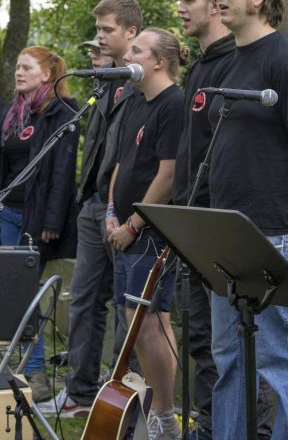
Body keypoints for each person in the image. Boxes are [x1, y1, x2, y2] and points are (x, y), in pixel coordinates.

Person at [208, 0, 288, 440]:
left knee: (283, 361)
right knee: (230, 359)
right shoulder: (231, 60)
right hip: (222, 237)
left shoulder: (287, 61)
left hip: (272, 234)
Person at [166, 0, 274, 439]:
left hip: (221, 228)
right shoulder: (203, 65)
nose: (181, 7)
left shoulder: (240, 62)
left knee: (229, 344)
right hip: (192, 224)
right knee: (200, 339)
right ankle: (212, 427)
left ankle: (245, 430)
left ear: (215, 3)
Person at [40, 0, 143, 416]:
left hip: (124, 211)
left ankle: (124, 395)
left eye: (107, 31)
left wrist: (123, 211)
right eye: (97, 30)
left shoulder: (141, 81)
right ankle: (79, 393)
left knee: (126, 306)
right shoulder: (105, 81)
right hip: (92, 205)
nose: (99, 38)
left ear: (131, 32)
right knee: (83, 300)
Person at [106, 28, 187, 439]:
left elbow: (169, 173)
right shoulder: (134, 99)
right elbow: (122, 162)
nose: (127, 54)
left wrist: (134, 224)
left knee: (149, 322)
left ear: (159, 61)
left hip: (150, 234)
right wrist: (110, 212)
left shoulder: (175, 104)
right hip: (121, 228)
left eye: (137, 49)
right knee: (133, 319)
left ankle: (164, 416)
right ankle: (150, 411)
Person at [0, 46, 80, 401]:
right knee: (12, 293)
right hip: (8, 213)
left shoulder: (64, 112)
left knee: (29, 293)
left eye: (26, 67)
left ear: (47, 74)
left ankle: (36, 373)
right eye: (17, 66)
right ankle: (18, 366)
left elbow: (62, 171)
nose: (18, 72)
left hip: (38, 216)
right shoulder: (12, 113)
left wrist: (52, 219)